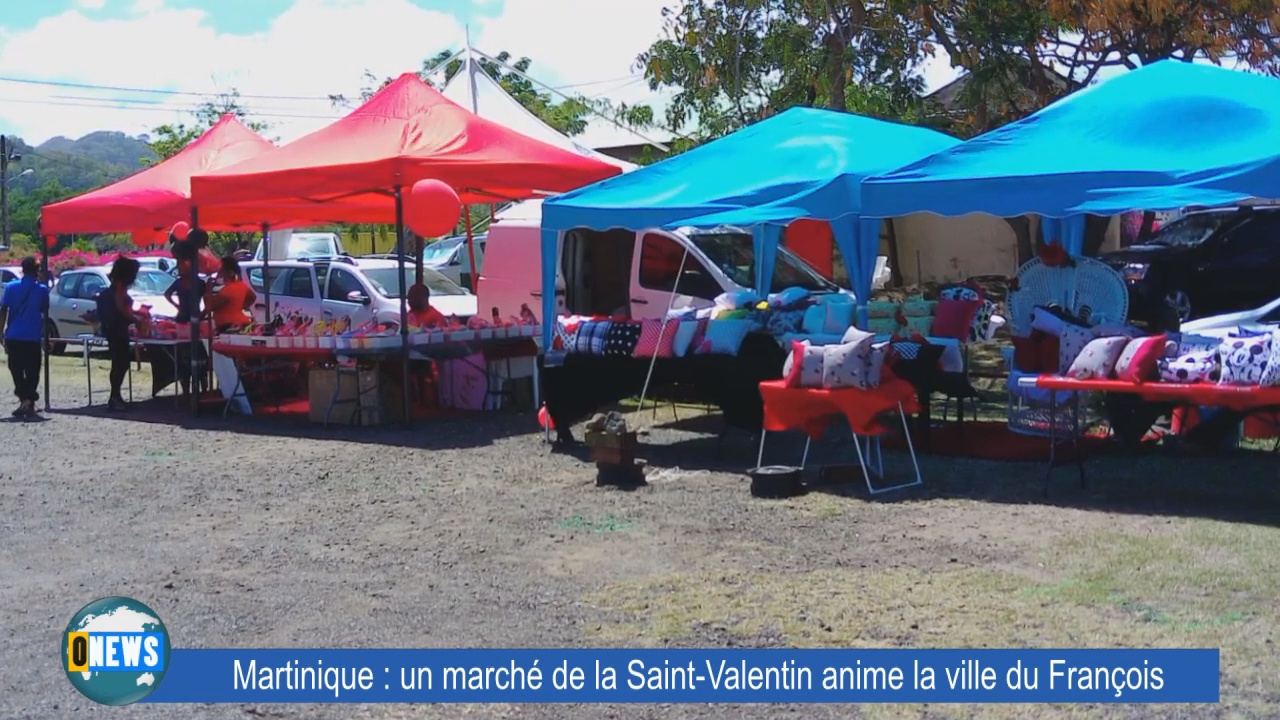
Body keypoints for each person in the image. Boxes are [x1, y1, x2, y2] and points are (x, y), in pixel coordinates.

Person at [0, 257, 51, 417]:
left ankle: (25, 399)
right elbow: (45, 309)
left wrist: (0, 331)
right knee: (32, 370)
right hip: (32, 336)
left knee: (16, 369)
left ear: (22, 269)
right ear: (37, 271)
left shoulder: (11, 287)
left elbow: (3, 310)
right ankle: (28, 399)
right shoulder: (42, 289)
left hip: (14, 334)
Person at [99, 256, 142, 412]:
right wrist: (135, 319)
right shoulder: (119, 286)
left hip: (113, 327)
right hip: (117, 329)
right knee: (120, 362)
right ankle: (115, 396)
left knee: (120, 362)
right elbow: (120, 307)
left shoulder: (116, 285)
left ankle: (115, 396)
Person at [204, 256, 256, 332]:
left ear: (229, 272)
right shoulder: (241, 285)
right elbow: (252, 297)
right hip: (240, 323)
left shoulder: (228, 290)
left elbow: (210, 306)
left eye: (221, 271)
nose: (219, 274)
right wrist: (238, 306)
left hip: (230, 326)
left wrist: (208, 290)